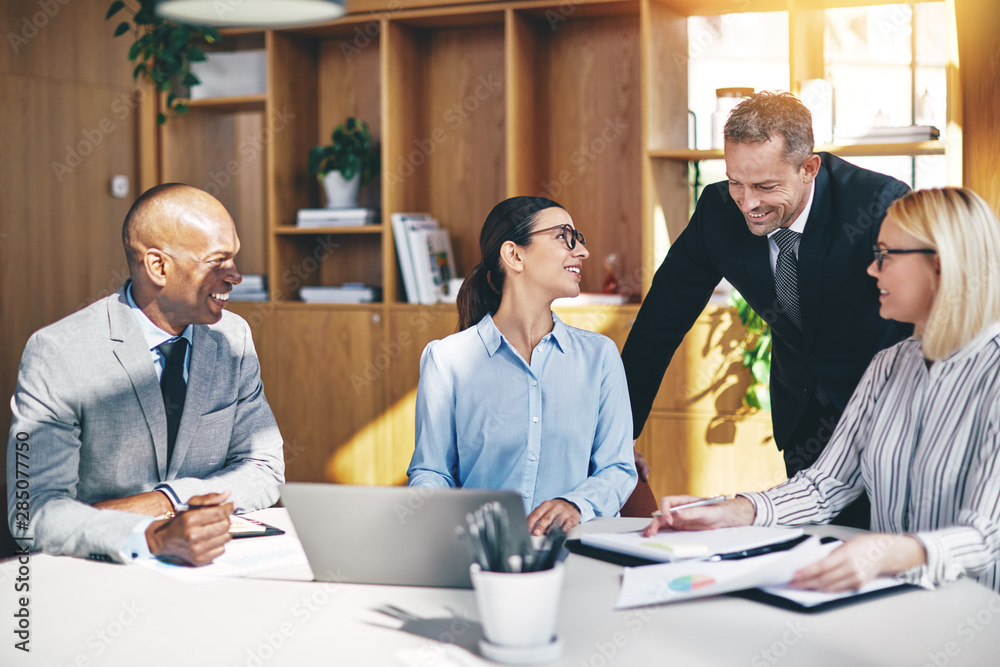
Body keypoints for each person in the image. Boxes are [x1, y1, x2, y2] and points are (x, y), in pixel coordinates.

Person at [645, 187, 1000, 593]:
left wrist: (890, 552)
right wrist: (732, 510)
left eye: (885, 255)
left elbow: (988, 534)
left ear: (940, 264)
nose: (872, 269)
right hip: (892, 606)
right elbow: (826, 484)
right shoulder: (890, 365)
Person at [621, 91, 913, 528]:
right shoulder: (719, 211)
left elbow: (922, 314)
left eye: (765, 186)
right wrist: (617, 436)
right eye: (735, 181)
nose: (747, 203)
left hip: (887, 415)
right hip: (804, 418)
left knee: (886, 552)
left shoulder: (877, 203)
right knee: (816, 552)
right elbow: (661, 321)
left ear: (809, 168)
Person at [6, 183, 284, 565]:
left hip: (212, 569)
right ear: (157, 266)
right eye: (217, 261)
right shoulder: (58, 352)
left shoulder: (232, 338)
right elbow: (32, 512)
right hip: (97, 574)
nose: (234, 275)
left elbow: (264, 467)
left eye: (233, 258)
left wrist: (167, 500)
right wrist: (150, 536)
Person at [407, 197, 637, 536]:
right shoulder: (447, 359)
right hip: (483, 555)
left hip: (576, 551)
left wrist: (575, 505)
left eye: (579, 238)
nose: (583, 252)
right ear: (515, 255)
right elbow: (432, 472)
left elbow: (618, 468)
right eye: (564, 237)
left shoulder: (600, 356)